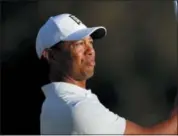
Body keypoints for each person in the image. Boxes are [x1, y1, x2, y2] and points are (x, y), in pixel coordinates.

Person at [36, 13, 178, 135]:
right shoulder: (79, 108)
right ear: (51, 56)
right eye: (79, 44)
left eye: (90, 42)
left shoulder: (51, 106)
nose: (90, 50)